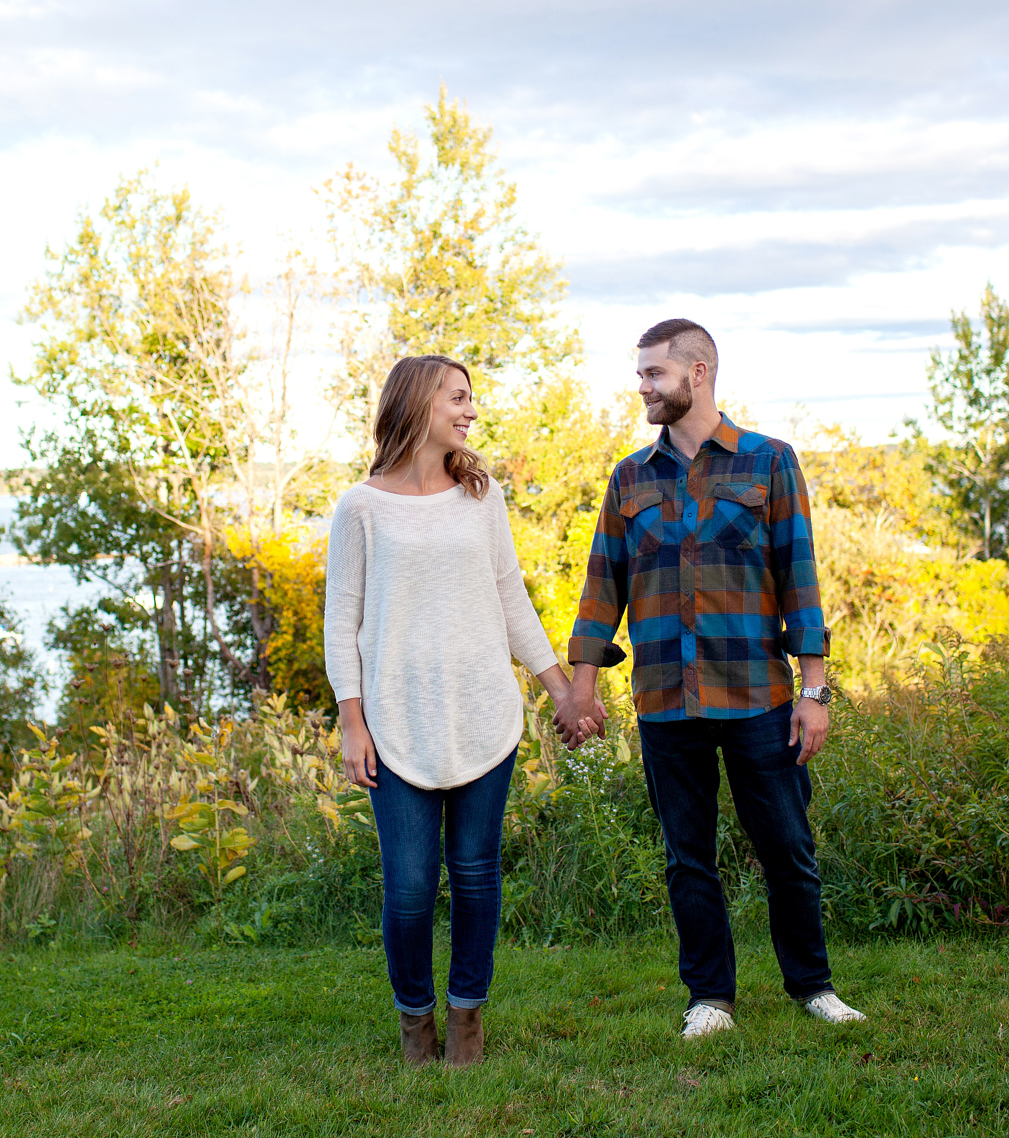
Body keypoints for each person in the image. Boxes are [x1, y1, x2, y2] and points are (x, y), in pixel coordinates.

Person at [564, 318, 866, 1038]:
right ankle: (710, 997)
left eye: (652, 374)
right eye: (640, 374)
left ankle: (813, 985)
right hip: (666, 701)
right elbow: (601, 586)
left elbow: (800, 581)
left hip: (759, 695)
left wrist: (814, 691)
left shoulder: (769, 462)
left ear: (697, 373)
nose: (642, 387)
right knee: (686, 857)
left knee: (788, 849)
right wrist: (582, 686)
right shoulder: (629, 477)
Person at [325, 355, 604, 1068]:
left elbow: (511, 598)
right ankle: (415, 1018)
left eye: (471, 398)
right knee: (411, 887)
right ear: (418, 404)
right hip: (395, 722)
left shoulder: (483, 497)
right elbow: (342, 621)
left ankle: (467, 1018)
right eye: (458, 398)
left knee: (477, 875)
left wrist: (562, 691)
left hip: (483, 711)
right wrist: (351, 720)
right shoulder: (360, 508)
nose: (471, 410)